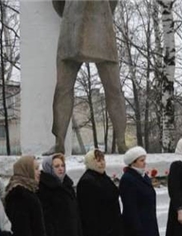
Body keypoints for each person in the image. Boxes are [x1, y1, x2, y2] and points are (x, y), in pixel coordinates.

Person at [48, 0, 127, 154]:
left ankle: (122, 142)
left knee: (113, 89)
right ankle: (59, 143)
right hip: (80, 25)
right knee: (63, 88)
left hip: (92, 24)